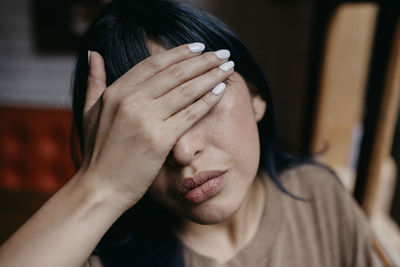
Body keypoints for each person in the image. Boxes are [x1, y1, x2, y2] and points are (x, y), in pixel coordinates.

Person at [0, 0, 383, 266]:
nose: (182, 151)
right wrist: (100, 186)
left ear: (255, 97)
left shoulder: (318, 194)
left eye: (199, 101)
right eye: (142, 132)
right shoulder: (96, 257)